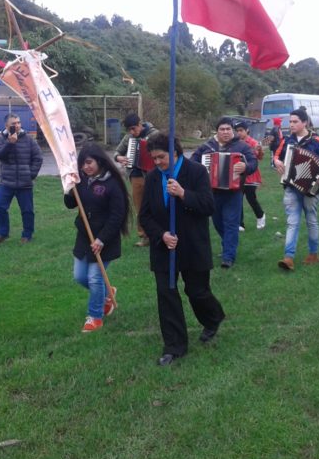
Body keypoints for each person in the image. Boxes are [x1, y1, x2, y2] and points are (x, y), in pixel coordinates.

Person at [139, 133, 225, 366]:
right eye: (153, 158)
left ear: (174, 152)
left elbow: (208, 206)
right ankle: (175, 346)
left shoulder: (196, 172)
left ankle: (213, 317)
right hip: (164, 245)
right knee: (166, 294)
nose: (157, 162)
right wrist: (162, 235)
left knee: (197, 291)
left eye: (161, 157)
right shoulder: (153, 178)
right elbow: (144, 216)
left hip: (192, 244)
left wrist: (183, 194)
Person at [64, 144, 129, 333]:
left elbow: (117, 215)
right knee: (79, 276)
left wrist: (101, 240)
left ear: (99, 161)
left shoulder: (113, 183)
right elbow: (70, 204)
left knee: (94, 277)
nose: (86, 167)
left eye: (89, 162)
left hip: (104, 238)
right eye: (82, 164)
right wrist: (69, 188)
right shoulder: (82, 180)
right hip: (84, 236)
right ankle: (107, 294)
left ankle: (95, 317)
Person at [191, 116, 257, 269]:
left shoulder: (242, 146)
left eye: (228, 129)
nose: (226, 132)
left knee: (231, 223)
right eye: (222, 129)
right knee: (217, 222)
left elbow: (253, 162)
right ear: (217, 131)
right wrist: (203, 168)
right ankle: (228, 245)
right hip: (212, 191)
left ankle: (228, 256)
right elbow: (193, 161)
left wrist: (245, 166)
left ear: (232, 130)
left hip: (234, 192)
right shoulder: (207, 146)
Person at [274, 108, 319, 271]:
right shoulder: (286, 141)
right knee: (292, 222)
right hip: (291, 186)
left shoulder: (317, 141)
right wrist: (276, 163)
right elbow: (276, 157)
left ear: (305, 122)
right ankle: (288, 257)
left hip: (310, 189)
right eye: (290, 121)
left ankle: (313, 254)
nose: (291, 124)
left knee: (311, 220)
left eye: (295, 121)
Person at [0, 113, 43, 244]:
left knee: (27, 211)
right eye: (13, 124)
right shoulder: (0, 139)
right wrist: (10, 143)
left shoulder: (29, 139)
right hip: (6, 182)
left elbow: (38, 157)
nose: (17, 125)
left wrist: (31, 174)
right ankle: (3, 232)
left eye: (19, 123)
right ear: (6, 125)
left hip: (25, 183)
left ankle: (27, 234)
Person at [114, 113, 158, 247]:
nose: (132, 132)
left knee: (156, 205)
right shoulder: (129, 138)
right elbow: (117, 152)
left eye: (134, 128)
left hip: (154, 175)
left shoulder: (155, 134)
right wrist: (119, 158)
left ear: (140, 124)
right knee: (140, 207)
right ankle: (144, 236)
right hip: (136, 175)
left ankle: (158, 234)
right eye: (129, 130)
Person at [234, 122, 266, 230]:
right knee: (238, 198)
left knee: (251, 198)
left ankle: (260, 216)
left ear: (247, 130)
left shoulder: (253, 142)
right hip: (238, 175)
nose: (239, 133)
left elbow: (260, 157)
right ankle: (240, 223)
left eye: (241, 130)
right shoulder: (235, 143)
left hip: (251, 175)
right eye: (237, 131)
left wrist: (259, 150)